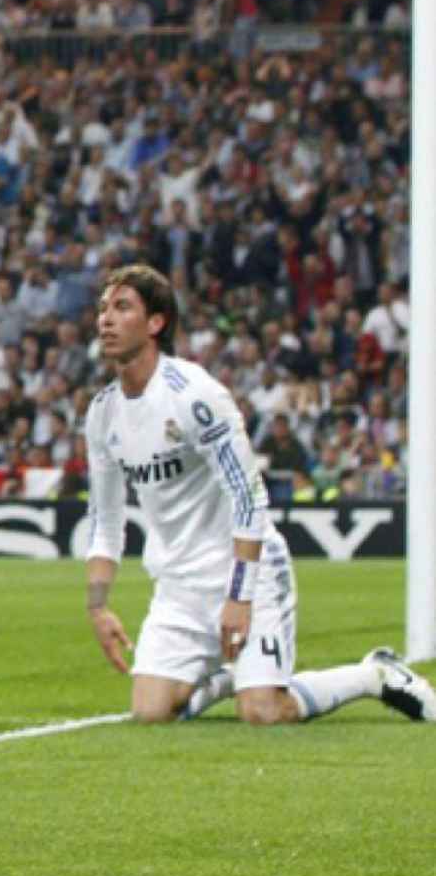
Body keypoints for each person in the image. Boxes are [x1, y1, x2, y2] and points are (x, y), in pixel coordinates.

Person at [82, 265, 432, 725]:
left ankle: (372, 675)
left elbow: (248, 497)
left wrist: (239, 598)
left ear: (156, 323)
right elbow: (105, 522)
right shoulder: (103, 413)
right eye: (104, 308)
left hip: (247, 570)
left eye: (122, 307)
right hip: (178, 587)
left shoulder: (196, 398)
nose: (105, 318)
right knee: (150, 713)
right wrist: (98, 605)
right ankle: (235, 675)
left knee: (265, 713)